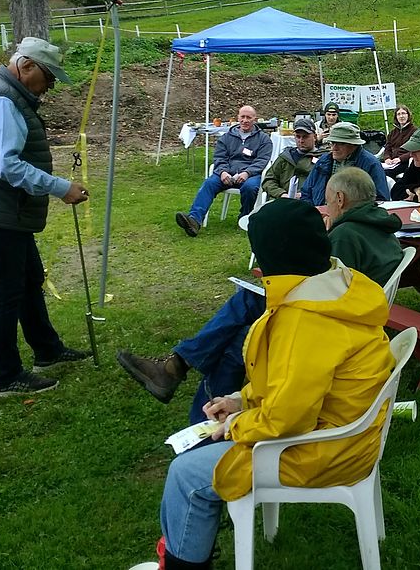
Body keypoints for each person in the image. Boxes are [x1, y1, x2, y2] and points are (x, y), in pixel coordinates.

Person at [154, 198, 394, 570]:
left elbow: (287, 419)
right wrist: (240, 400)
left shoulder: (304, 320)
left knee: (186, 475)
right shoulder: (338, 284)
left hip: (322, 451)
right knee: (199, 457)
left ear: (270, 256)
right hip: (350, 437)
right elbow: (289, 384)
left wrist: (236, 424)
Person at [116, 169, 402, 422]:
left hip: (330, 318)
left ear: (339, 199)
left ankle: (193, 398)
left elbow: (321, 280)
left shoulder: (346, 235)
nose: (326, 207)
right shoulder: (380, 226)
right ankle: (179, 369)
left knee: (238, 337)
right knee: (247, 302)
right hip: (354, 311)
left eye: (327, 201)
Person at [0, 37, 91, 398]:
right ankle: (5, 376)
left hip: (2, 211)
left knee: (29, 280)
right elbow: (4, 165)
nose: (50, 86)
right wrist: (60, 187)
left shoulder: (7, 93)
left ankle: (47, 350)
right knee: (4, 292)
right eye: (49, 77)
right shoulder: (2, 99)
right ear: (26, 66)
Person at [174, 106, 272, 237]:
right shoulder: (226, 137)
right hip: (227, 173)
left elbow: (262, 160)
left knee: (250, 188)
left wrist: (247, 172)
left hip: (250, 175)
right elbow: (219, 157)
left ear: (255, 119)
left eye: (249, 117)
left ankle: (245, 219)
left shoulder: (264, 139)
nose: (245, 120)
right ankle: (194, 220)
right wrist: (223, 172)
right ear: (238, 118)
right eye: (242, 117)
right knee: (209, 184)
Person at [300, 121, 390, 205]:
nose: (334, 148)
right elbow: (306, 192)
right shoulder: (323, 161)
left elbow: (380, 200)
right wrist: (314, 212)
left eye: (340, 144)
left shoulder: (371, 164)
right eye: (332, 143)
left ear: (354, 145)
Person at [260, 117, 323, 200]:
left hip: (310, 201)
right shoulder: (285, 157)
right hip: (283, 200)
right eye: (298, 137)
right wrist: (281, 194)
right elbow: (268, 180)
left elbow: (325, 184)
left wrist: (305, 194)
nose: (301, 141)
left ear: (314, 137)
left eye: (305, 137)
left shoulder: (322, 159)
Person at [380, 104, 417, 177]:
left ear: (408, 115)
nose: (401, 116)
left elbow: (415, 151)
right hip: (391, 162)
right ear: (396, 117)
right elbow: (387, 148)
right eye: (398, 114)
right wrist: (387, 158)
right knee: (375, 168)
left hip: (405, 161)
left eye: (403, 113)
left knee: (384, 173)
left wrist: (400, 159)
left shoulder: (414, 131)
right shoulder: (392, 132)